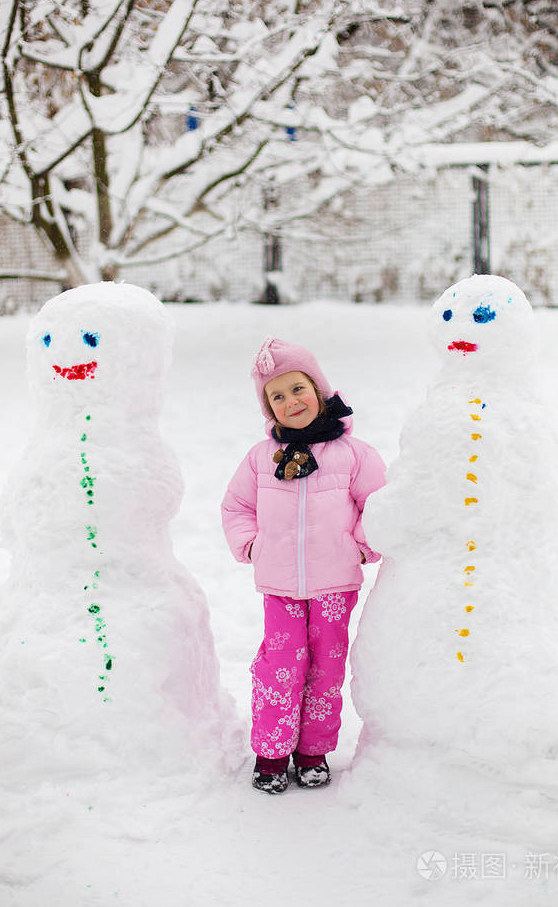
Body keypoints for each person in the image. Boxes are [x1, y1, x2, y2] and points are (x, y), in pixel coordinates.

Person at [221, 337, 385, 794]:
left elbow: (381, 505)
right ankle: (272, 751)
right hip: (279, 588)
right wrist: (251, 546)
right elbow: (235, 507)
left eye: (298, 389)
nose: (291, 402)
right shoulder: (260, 459)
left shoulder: (355, 455)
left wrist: (361, 548)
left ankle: (313, 750)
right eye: (277, 396)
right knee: (280, 665)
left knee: (325, 666)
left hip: (336, 586)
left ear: (319, 389)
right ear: (268, 409)